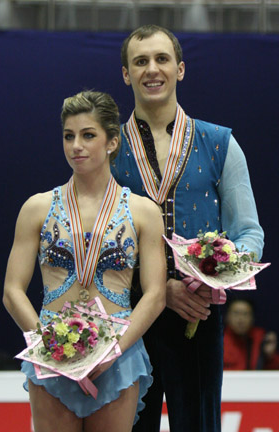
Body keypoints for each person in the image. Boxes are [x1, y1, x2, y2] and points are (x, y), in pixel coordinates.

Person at [110, 25, 264, 432]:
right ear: (126, 74)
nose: (151, 69)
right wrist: (160, 291)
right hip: (129, 322)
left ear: (180, 69)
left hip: (197, 317)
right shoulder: (105, 150)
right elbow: (93, 244)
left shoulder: (220, 143)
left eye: (161, 59)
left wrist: (210, 278)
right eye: (140, 61)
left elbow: (249, 233)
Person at [3, 90, 166, 432]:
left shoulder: (144, 212)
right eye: (68, 136)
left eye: (88, 135)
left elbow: (155, 294)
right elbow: (12, 290)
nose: (76, 145)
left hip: (117, 355)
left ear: (112, 142)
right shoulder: (37, 207)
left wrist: (113, 352)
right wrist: (45, 343)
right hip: (50, 353)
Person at [224, 298, 279, 370]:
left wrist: (270, 356)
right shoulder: (219, 340)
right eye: (236, 313)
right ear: (227, 317)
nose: (240, 319)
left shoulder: (261, 338)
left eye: (245, 314)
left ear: (252, 318)